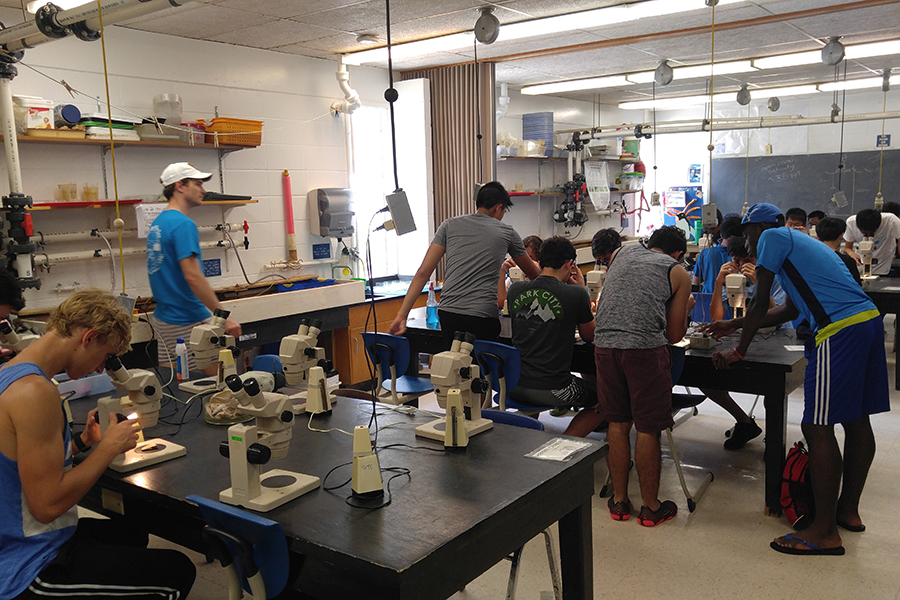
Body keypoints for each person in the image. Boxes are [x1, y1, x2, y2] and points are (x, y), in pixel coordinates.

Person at [704, 203, 888, 556]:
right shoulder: (801, 245)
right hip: (866, 322)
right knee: (856, 420)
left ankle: (823, 531)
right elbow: (788, 309)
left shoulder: (773, 237)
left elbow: (759, 301)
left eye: (748, 234)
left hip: (838, 331)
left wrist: (739, 350)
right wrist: (734, 323)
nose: (748, 243)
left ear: (762, 228)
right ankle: (847, 511)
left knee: (816, 426)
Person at [0, 290, 196, 599]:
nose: (100, 368)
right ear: (89, 337)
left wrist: (84, 442)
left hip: (17, 537)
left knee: (130, 533)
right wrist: (107, 450)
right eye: (105, 356)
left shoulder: (10, 374)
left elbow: (20, 462)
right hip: (26, 565)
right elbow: (46, 506)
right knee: (177, 570)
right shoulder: (35, 393)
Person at [593, 226, 694, 527]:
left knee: (617, 423)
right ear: (678, 253)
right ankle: (651, 507)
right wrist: (686, 308)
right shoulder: (677, 271)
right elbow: (674, 335)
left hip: (605, 346)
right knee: (648, 428)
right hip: (644, 352)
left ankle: (619, 501)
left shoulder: (621, 253)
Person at [389, 181, 540, 348]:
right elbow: (534, 274)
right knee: (483, 363)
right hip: (482, 316)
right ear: (499, 208)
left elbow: (423, 272)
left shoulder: (448, 225)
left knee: (451, 363)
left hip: (448, 314)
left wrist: (402, 315)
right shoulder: (507, 232)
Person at [147, 162, 241, 371]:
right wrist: (222, 316)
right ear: (180, 185)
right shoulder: (183, 224)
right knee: (219, 383)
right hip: (188, 319)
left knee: (175, 386)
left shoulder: (158, 223)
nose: (203, 190)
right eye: (197, 184)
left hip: (164, 319)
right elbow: (193, 276)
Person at [702, 234, 787, 449]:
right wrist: (719, 282)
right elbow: (716, 318)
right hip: (737, 338)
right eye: (736, 261)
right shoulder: (731, 278)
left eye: (747, 261)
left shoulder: (776, 278)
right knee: (705, 375)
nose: (741, 267)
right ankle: (744, 422)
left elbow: (778, 317)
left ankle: (774, 439)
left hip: (771, 340)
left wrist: (760, 284)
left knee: (771, 386)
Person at [507, 237, 595, 409]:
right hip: (554, 387)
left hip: (514, 383)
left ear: (539, 263)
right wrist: (581, 289)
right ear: (569, 264)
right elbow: (589, 335)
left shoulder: (515, 289)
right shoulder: (576, 294)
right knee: (607, 400)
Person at [843, 207, 900, 276]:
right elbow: (847, 248)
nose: (868, 235)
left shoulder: (891, 221)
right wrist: (852, 254)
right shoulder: (851, 223)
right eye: (864, 233)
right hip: (861, 262)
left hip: (883, 260)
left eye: (871, 233)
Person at [498, 235, 542, 311]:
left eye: (529, 258)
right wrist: (502, 270)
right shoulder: (515, 278)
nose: (524, 262)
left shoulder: (546, 279)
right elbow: (501, 302)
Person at [691, 210, 728, 294]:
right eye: (706, 228)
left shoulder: (721, 240)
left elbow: (696, 281)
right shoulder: (704, 235)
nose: (709, 231)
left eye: (712, 228)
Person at [817, 217, 861, 285]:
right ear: (841, 236)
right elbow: (857, 286)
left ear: (818, 237)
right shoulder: (847, 261)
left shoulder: (810, 259)